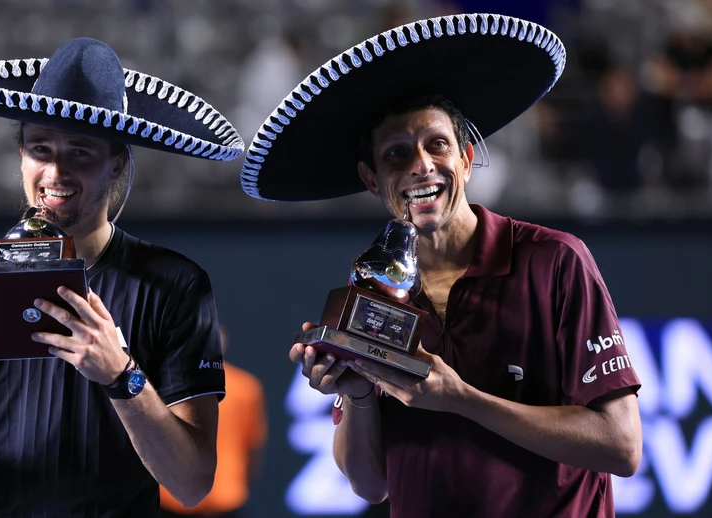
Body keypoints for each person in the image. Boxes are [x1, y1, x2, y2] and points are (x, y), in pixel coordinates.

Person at [238, 14, 642, 518]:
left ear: (468, 159)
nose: (421, 166)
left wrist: (464, 399)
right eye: (396, 154)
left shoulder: (556, 260)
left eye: (437, 144)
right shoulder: (372, 287)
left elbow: (621, 445)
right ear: (371, 179)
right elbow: (369, 484)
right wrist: (360, 396)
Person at [0, 37, 243, 517]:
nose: (55, 171)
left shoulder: (175, 285)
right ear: (20, 155)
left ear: (117, 164)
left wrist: (121, 376)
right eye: (40, 148)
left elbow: (193, 484)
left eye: (80, 152)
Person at [160, 326, 267, 518]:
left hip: (219, 497)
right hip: (176, 499)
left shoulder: (246, 388)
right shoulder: (164, 385)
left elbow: (253, 445)